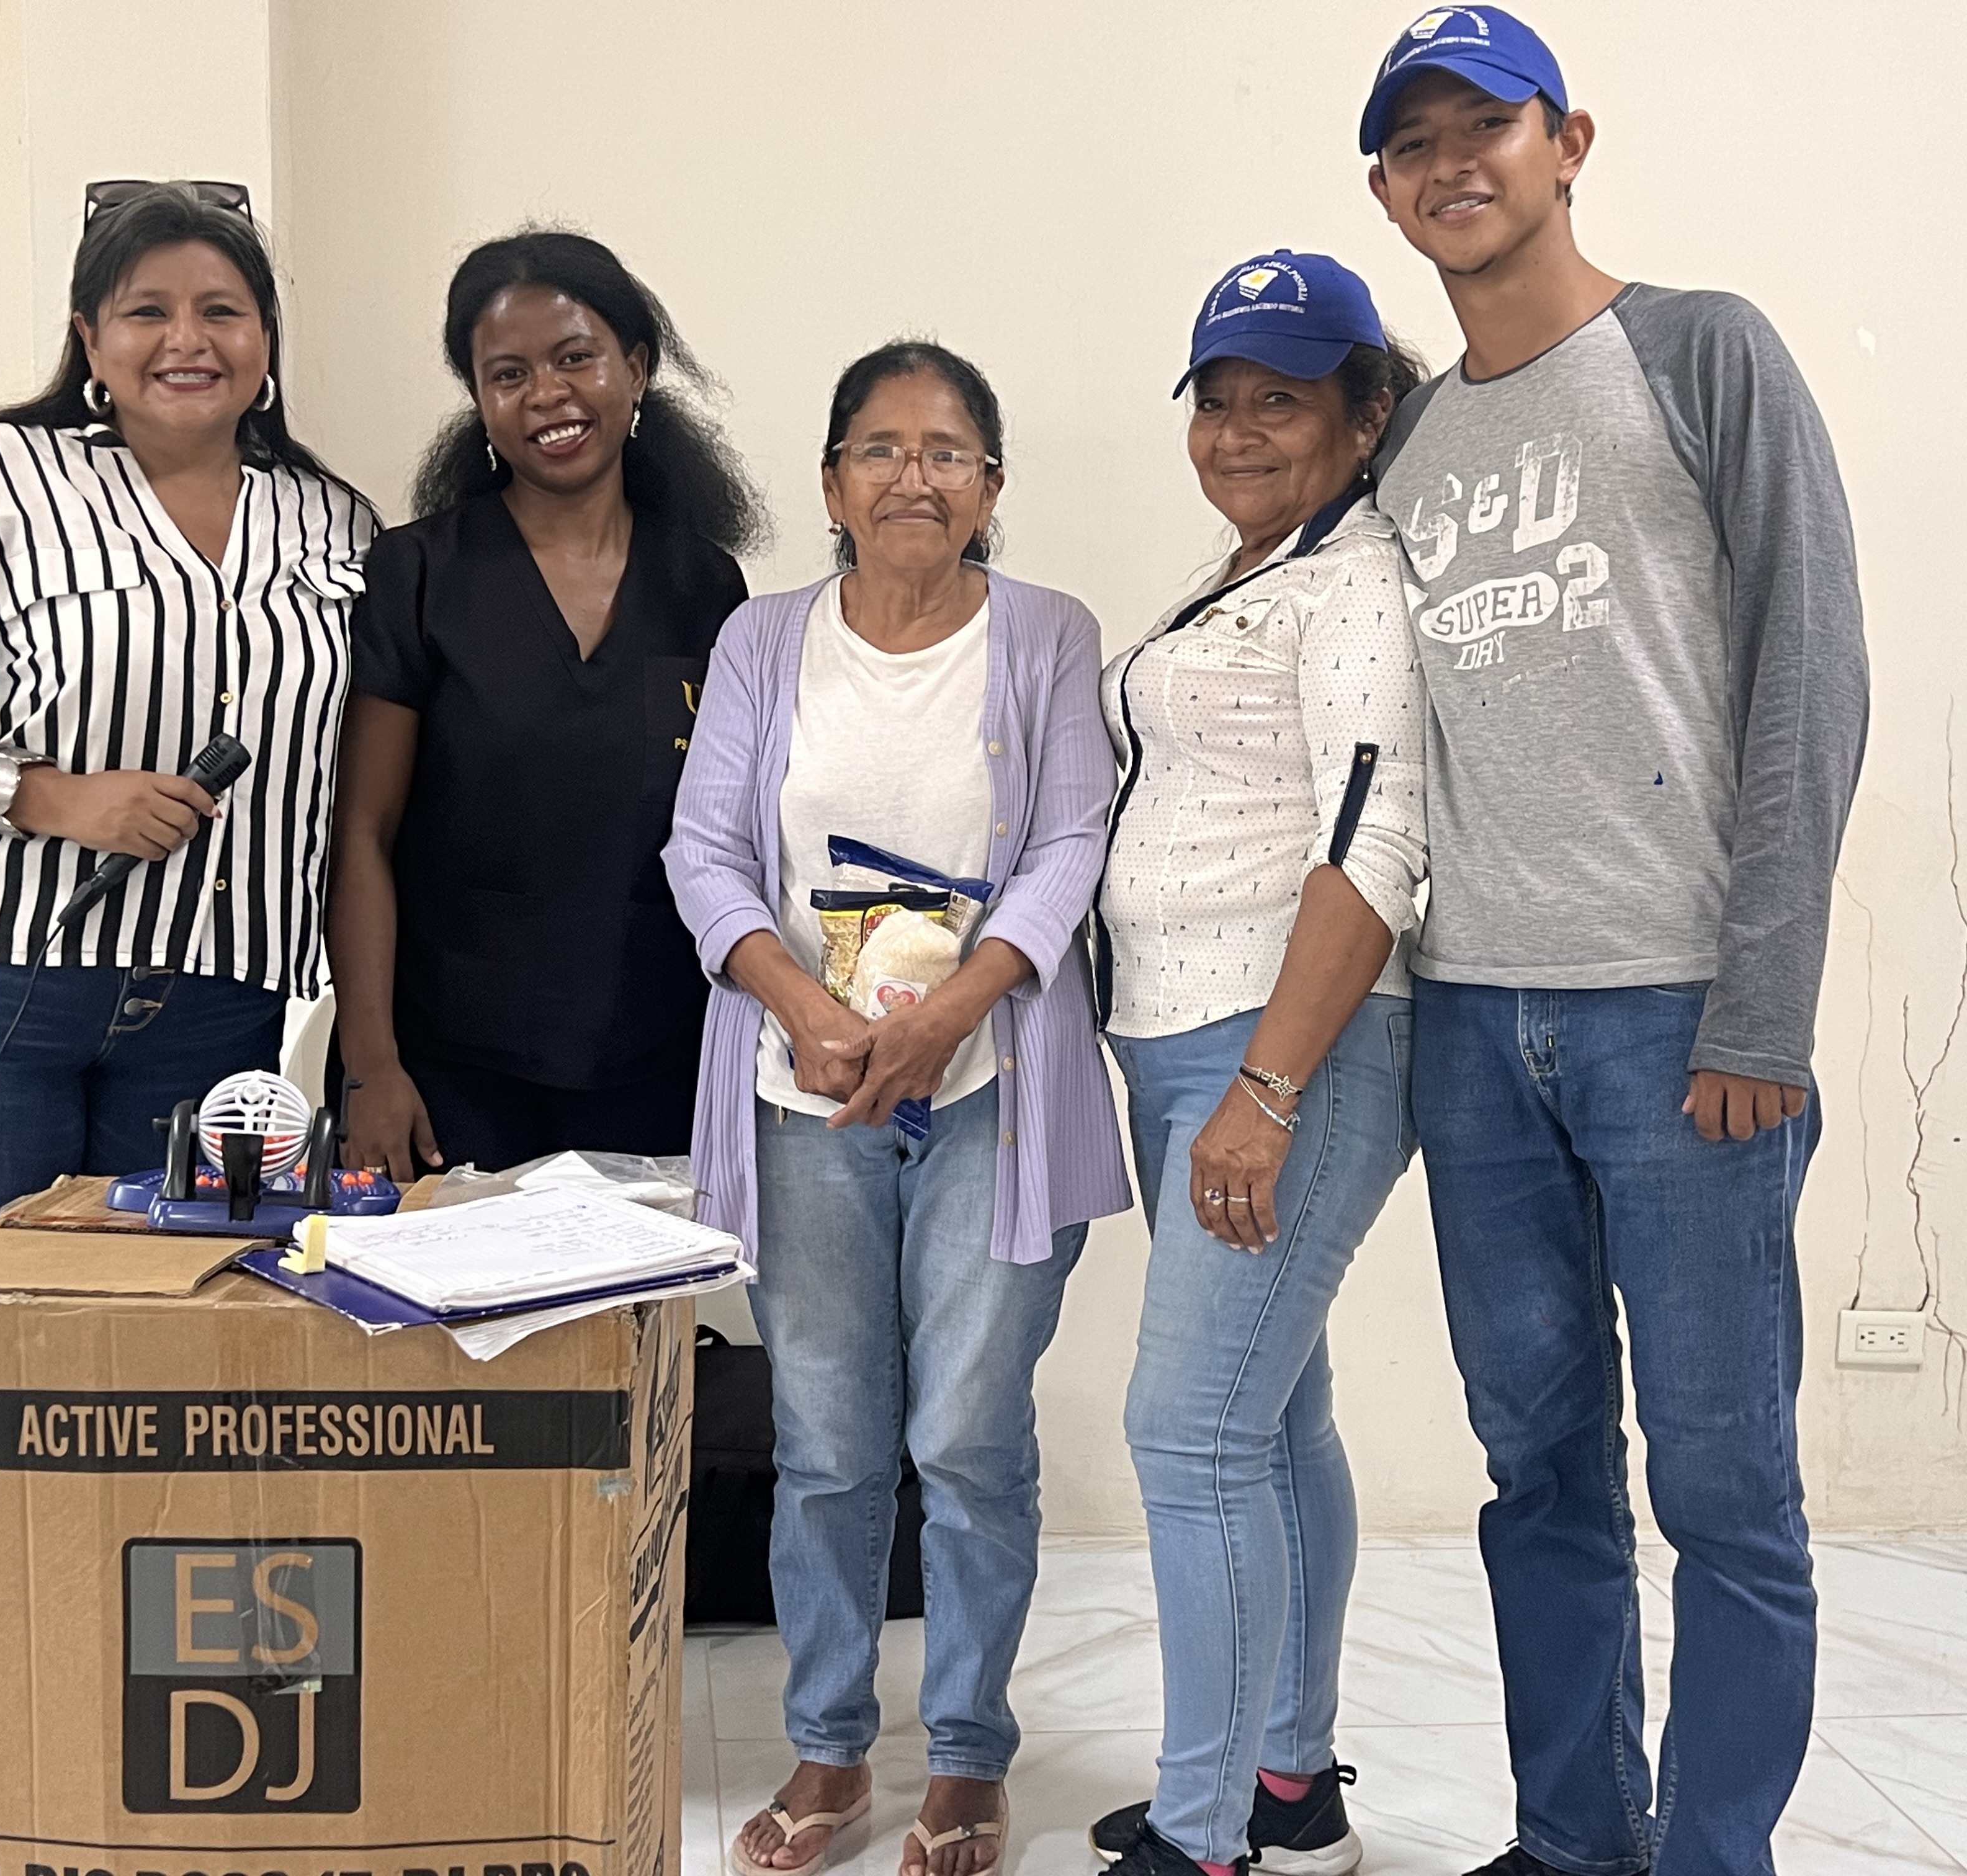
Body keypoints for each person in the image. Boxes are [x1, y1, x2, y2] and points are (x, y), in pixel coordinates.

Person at [0, 181, 375, 1872]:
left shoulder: (332, 525)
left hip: (215, 1011)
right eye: (149, 311)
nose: (189, 340)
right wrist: (43, 793)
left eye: (223, 310)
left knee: (176, 1363)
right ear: (90, 339)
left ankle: (133, 1727)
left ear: (266, 340)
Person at [1356, 11, 1869, 1875]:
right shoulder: (1412, 439)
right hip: (1476, 1028)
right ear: (1383, 189)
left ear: (1567, 141)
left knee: (1727, 1487)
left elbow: (1811, 678)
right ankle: (1576, 1840)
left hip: (1681, 1023)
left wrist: (1764, 1011)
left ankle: (1714, 1855)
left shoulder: (1702, 349)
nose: (1451, 164)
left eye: (1482, 124)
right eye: (1412, 142)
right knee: (1540, 1472)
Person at [665, 343, 1129, 1876]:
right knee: (826, 1440)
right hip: (805, 1095)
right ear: (830, 482)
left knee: (972, 1435)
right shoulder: (764, 639)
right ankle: (828, 1744)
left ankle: (972, 1757)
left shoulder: (1048, 634)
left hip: (994, 1086)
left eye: (946, 451)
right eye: (879, 447)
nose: (912, 476)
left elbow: (1070, 844)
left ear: (991, 485)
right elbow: (702, 853)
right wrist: (803, 1010)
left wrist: (950, 1013)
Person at [1083, 252, 1430, 1876]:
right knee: (1272, 1420)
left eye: (1278, 399)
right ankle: (1288, 1791)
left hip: (1284, 1049)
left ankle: (1204, 1836)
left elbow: (1374, 844)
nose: (1235, 430)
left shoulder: (1357, 583)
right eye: (1215, 398)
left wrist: (1269, 1087)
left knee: (1191, 1435)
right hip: (1189, 1041)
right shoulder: (1259, 568)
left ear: (1364, 413)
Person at [327, 231, 759, 1177]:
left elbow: (726, 833)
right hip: (450, 1073)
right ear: (480, 402)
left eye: (575, 358)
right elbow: (362, 832)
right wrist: (370, 1067)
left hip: (658, 1059)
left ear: (635, 370)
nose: (547, 395)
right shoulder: (418, 573)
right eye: (509, 374)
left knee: (647, 1286)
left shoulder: (705, 585)